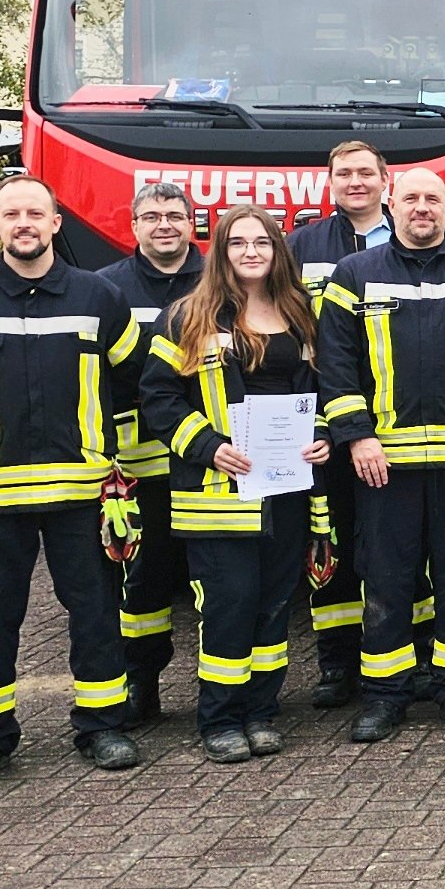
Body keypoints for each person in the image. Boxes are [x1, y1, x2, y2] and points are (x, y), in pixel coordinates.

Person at [0, 175, 145, 788]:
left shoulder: (98, 297)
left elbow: (130, 374)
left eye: (35, 213)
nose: (24, 223)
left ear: (54, 224)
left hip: (80, 490)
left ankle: (102, 726)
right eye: (11, 213)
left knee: (95, 609)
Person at [316, 167, 445, 742]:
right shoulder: (354, 274)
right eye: (410, 198)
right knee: (385, 578)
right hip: (385, 463)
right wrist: (357, 435)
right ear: (392, 203)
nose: (422, 208)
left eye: (433, 198)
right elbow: (335, 362)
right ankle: (386, 695)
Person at [137, 207, 333, 762]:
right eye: (237, 243)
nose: (251, 252)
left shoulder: (301, 316)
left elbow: (322, 391)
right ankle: (219, 718)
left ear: (278, 251)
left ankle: (261, 711)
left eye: (262, 243)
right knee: (228, 604)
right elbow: (158, 398)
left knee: (273, 604)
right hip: (216, 491)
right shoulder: (187, 318)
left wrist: (323, 437)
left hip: (285, 486)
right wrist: (207, 447)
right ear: (220, 252)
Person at [285, 140, 396, 708]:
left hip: (391, 422)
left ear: (385, 180)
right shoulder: (302, 245)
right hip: (322, 416)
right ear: (329, 182)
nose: (355, 182)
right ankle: (336, 663)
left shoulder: (405, 242)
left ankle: (407, 655)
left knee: (393, 545)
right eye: (344, 174)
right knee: (329, 541)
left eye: (365, 173)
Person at [100, 180, 204, 728]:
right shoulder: (105, 290)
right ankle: (141, 681)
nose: (163, 224)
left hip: (212, 464)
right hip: (139, 467)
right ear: (133, 225)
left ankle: (224, 686)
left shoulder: (224, 281)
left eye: (174, 214)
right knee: (143, 580)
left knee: (216, 577)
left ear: (193, 223)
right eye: (151, 216)